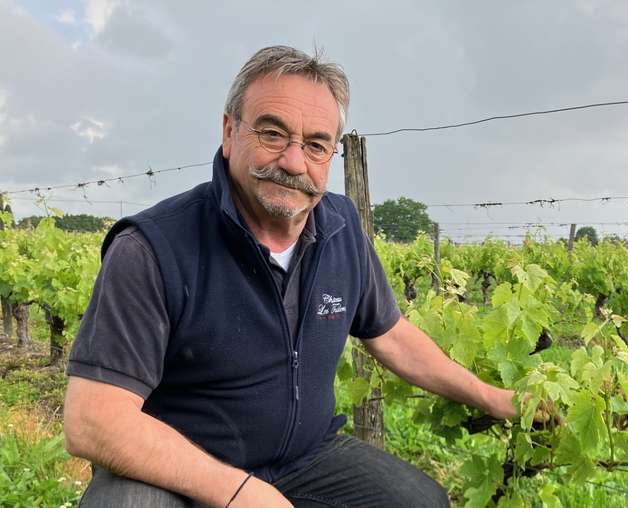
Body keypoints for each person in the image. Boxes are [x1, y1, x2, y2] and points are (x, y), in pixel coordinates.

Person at [63, 45, 518, 508]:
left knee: (420, 502)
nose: (294, 162)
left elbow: (392, 335)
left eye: (316, 145)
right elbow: (93, 419)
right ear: (229, 132)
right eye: (273, 134)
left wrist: (493, 397)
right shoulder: (152, 247)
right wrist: (239, 491)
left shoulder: (341, 228)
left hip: (306, 458)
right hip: (177, 467)